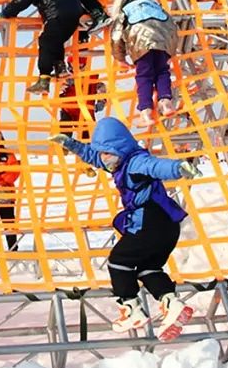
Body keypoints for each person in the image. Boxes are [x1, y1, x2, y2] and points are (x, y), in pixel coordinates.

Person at [50, 117, 199, 339]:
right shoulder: (118, 160)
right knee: (148, 268)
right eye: (102, 154)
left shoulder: (137, 162)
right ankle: (172, 303)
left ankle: (131, 308)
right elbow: (94, 156)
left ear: (119, 148)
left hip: (150, 222)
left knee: (118, 261)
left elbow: (156, 166)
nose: (103, 160)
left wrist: (178, 168)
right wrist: (70, 144)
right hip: (167, 227)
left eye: (107, 154)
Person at [1, 0, 84, 95]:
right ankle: (60, 69)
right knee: (55, 41)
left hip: (58, 12)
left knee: (45, 41)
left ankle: (43, 80)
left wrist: (8, 11)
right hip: (73, 12)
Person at [109, 0, 180, 126]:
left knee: (144, 76)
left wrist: (120, 59)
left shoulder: (125, 10)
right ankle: (165, 102)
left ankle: (146, 111)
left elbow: (116, 36)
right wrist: (171, 51)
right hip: (162, 42)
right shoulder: (157, 7)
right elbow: (172, 28)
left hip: (141, 44)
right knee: (162, 71)